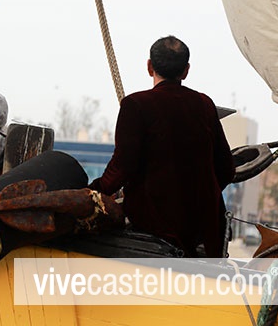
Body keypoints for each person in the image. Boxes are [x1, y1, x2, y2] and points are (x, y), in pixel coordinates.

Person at [89, 35, 236, 257]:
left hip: (153, 225)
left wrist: (94, 192)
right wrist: (200, 196)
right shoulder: (204, 104)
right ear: (186, 71)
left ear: (149, 67)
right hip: (204, 230)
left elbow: (122, 168)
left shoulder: (135, 105)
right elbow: (226, 169)